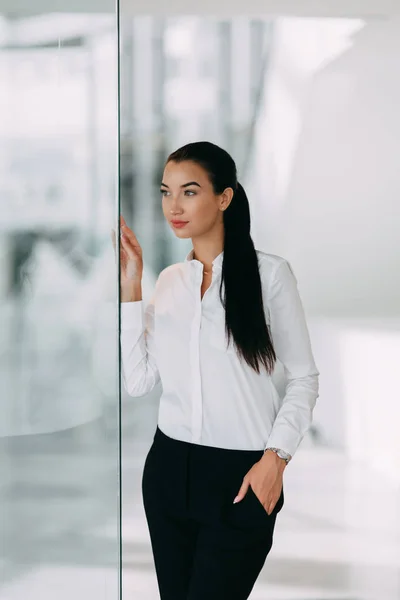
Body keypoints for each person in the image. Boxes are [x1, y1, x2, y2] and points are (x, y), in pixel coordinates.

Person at [116, 141, 319, 600]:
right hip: (168, 470)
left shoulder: (270, 276)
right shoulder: (169, 282)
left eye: (189, 192)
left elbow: (304, 378)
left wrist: (276, 460)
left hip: (241, 477)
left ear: (224, 197)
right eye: (166, 192)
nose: (174, 206)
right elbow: (137, 380)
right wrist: (132, 284)